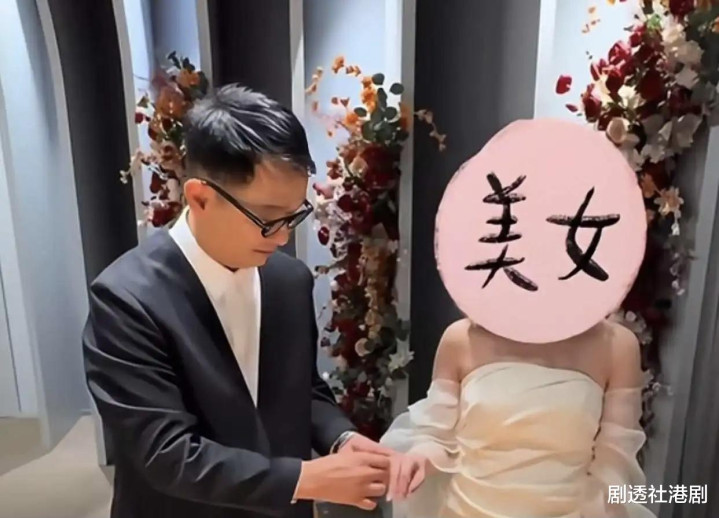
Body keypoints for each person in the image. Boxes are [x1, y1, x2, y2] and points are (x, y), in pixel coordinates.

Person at [83, 85, 393, 518]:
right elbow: (166, 453)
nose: (282, 238)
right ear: (200, 197)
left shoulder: (288, 280)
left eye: (293, 216)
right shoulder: (127, 299)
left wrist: (342, 438)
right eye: (266, 218)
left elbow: (302, 391)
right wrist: (305, 479)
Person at [381, 119, 657, 517]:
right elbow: (436, 433)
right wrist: (419, 458)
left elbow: (616, 463)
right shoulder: (462, 339)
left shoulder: (616, 347)